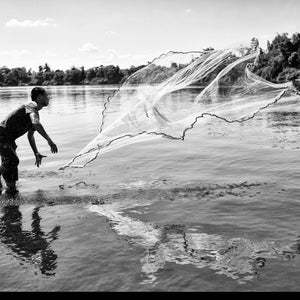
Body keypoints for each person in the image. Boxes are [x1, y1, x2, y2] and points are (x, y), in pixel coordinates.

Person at [0, 87, 58, 193]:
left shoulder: (35, 114)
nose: (49, 98)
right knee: (13, 161)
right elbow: (35, 123)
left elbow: (30, 136)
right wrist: (49, 140)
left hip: (9, 141)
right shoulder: (32, 105)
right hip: (1, 137)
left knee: (11, 181)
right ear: (40, 97)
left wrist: (36, 152)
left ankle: (10, 200)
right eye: (47, 96)